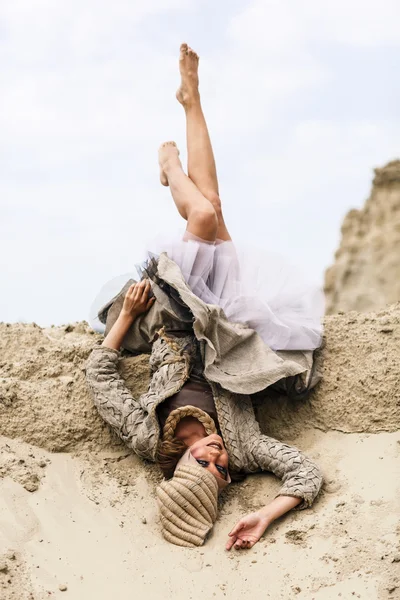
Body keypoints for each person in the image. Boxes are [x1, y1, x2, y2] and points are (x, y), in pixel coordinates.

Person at [85, 43, 324, 550]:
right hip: (230, 321)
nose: (217, 455)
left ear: (183, 466)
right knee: (212, 203)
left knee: (203, 218)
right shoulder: (243, 447)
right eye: (222, 471)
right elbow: (305, 475)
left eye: (206, 464)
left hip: (174, 316)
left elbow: (99, 374)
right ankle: (191, 101)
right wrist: (264, 515)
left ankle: (170, 168)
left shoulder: (148, 437)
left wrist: (126, 318)